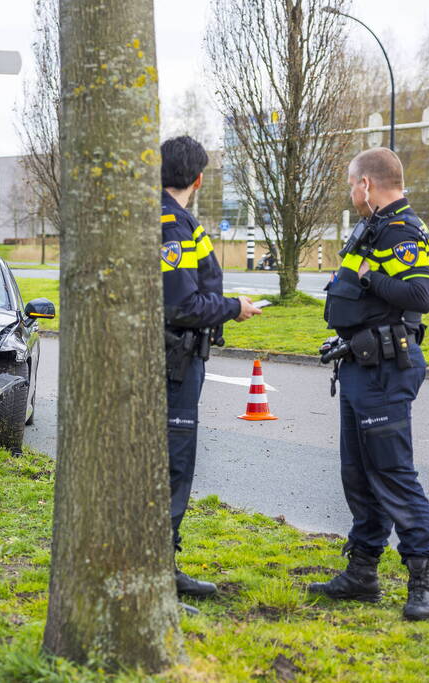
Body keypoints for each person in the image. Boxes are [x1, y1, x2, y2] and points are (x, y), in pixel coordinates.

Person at [309, 147, 429, 621]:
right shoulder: (377, 227)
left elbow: (420, 296)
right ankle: (362, 573)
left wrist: (366, 278)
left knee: (391, 473)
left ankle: (421, 581)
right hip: (360, 365)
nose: (351, 192)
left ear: (367, 184)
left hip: (386, 369)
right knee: (359, 473)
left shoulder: (403, 229)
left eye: (351, 184)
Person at [159, 136, 262, 604]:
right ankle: (162, 567)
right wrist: (232, 306)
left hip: (176, 356)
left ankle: (160, 561)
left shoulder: (167, 218)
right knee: (174, 465)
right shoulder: (170, 224)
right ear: (198, 180)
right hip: (175, 361)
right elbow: (181, 304)